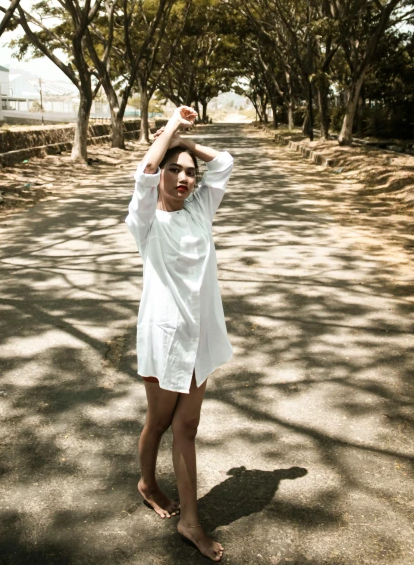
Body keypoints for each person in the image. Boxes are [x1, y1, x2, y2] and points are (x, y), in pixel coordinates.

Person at [125, 105, 234, 562]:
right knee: (161, 422)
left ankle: (191, 522)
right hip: (165, 337)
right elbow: (146, 170)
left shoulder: (199, 210)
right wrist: (171, 129)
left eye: (191, 173)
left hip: (200, 335)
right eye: (177, 170)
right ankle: (147, 482)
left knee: (187, 425)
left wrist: (190, 145)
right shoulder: (146, 220)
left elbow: (224, 162)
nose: (186, 178)